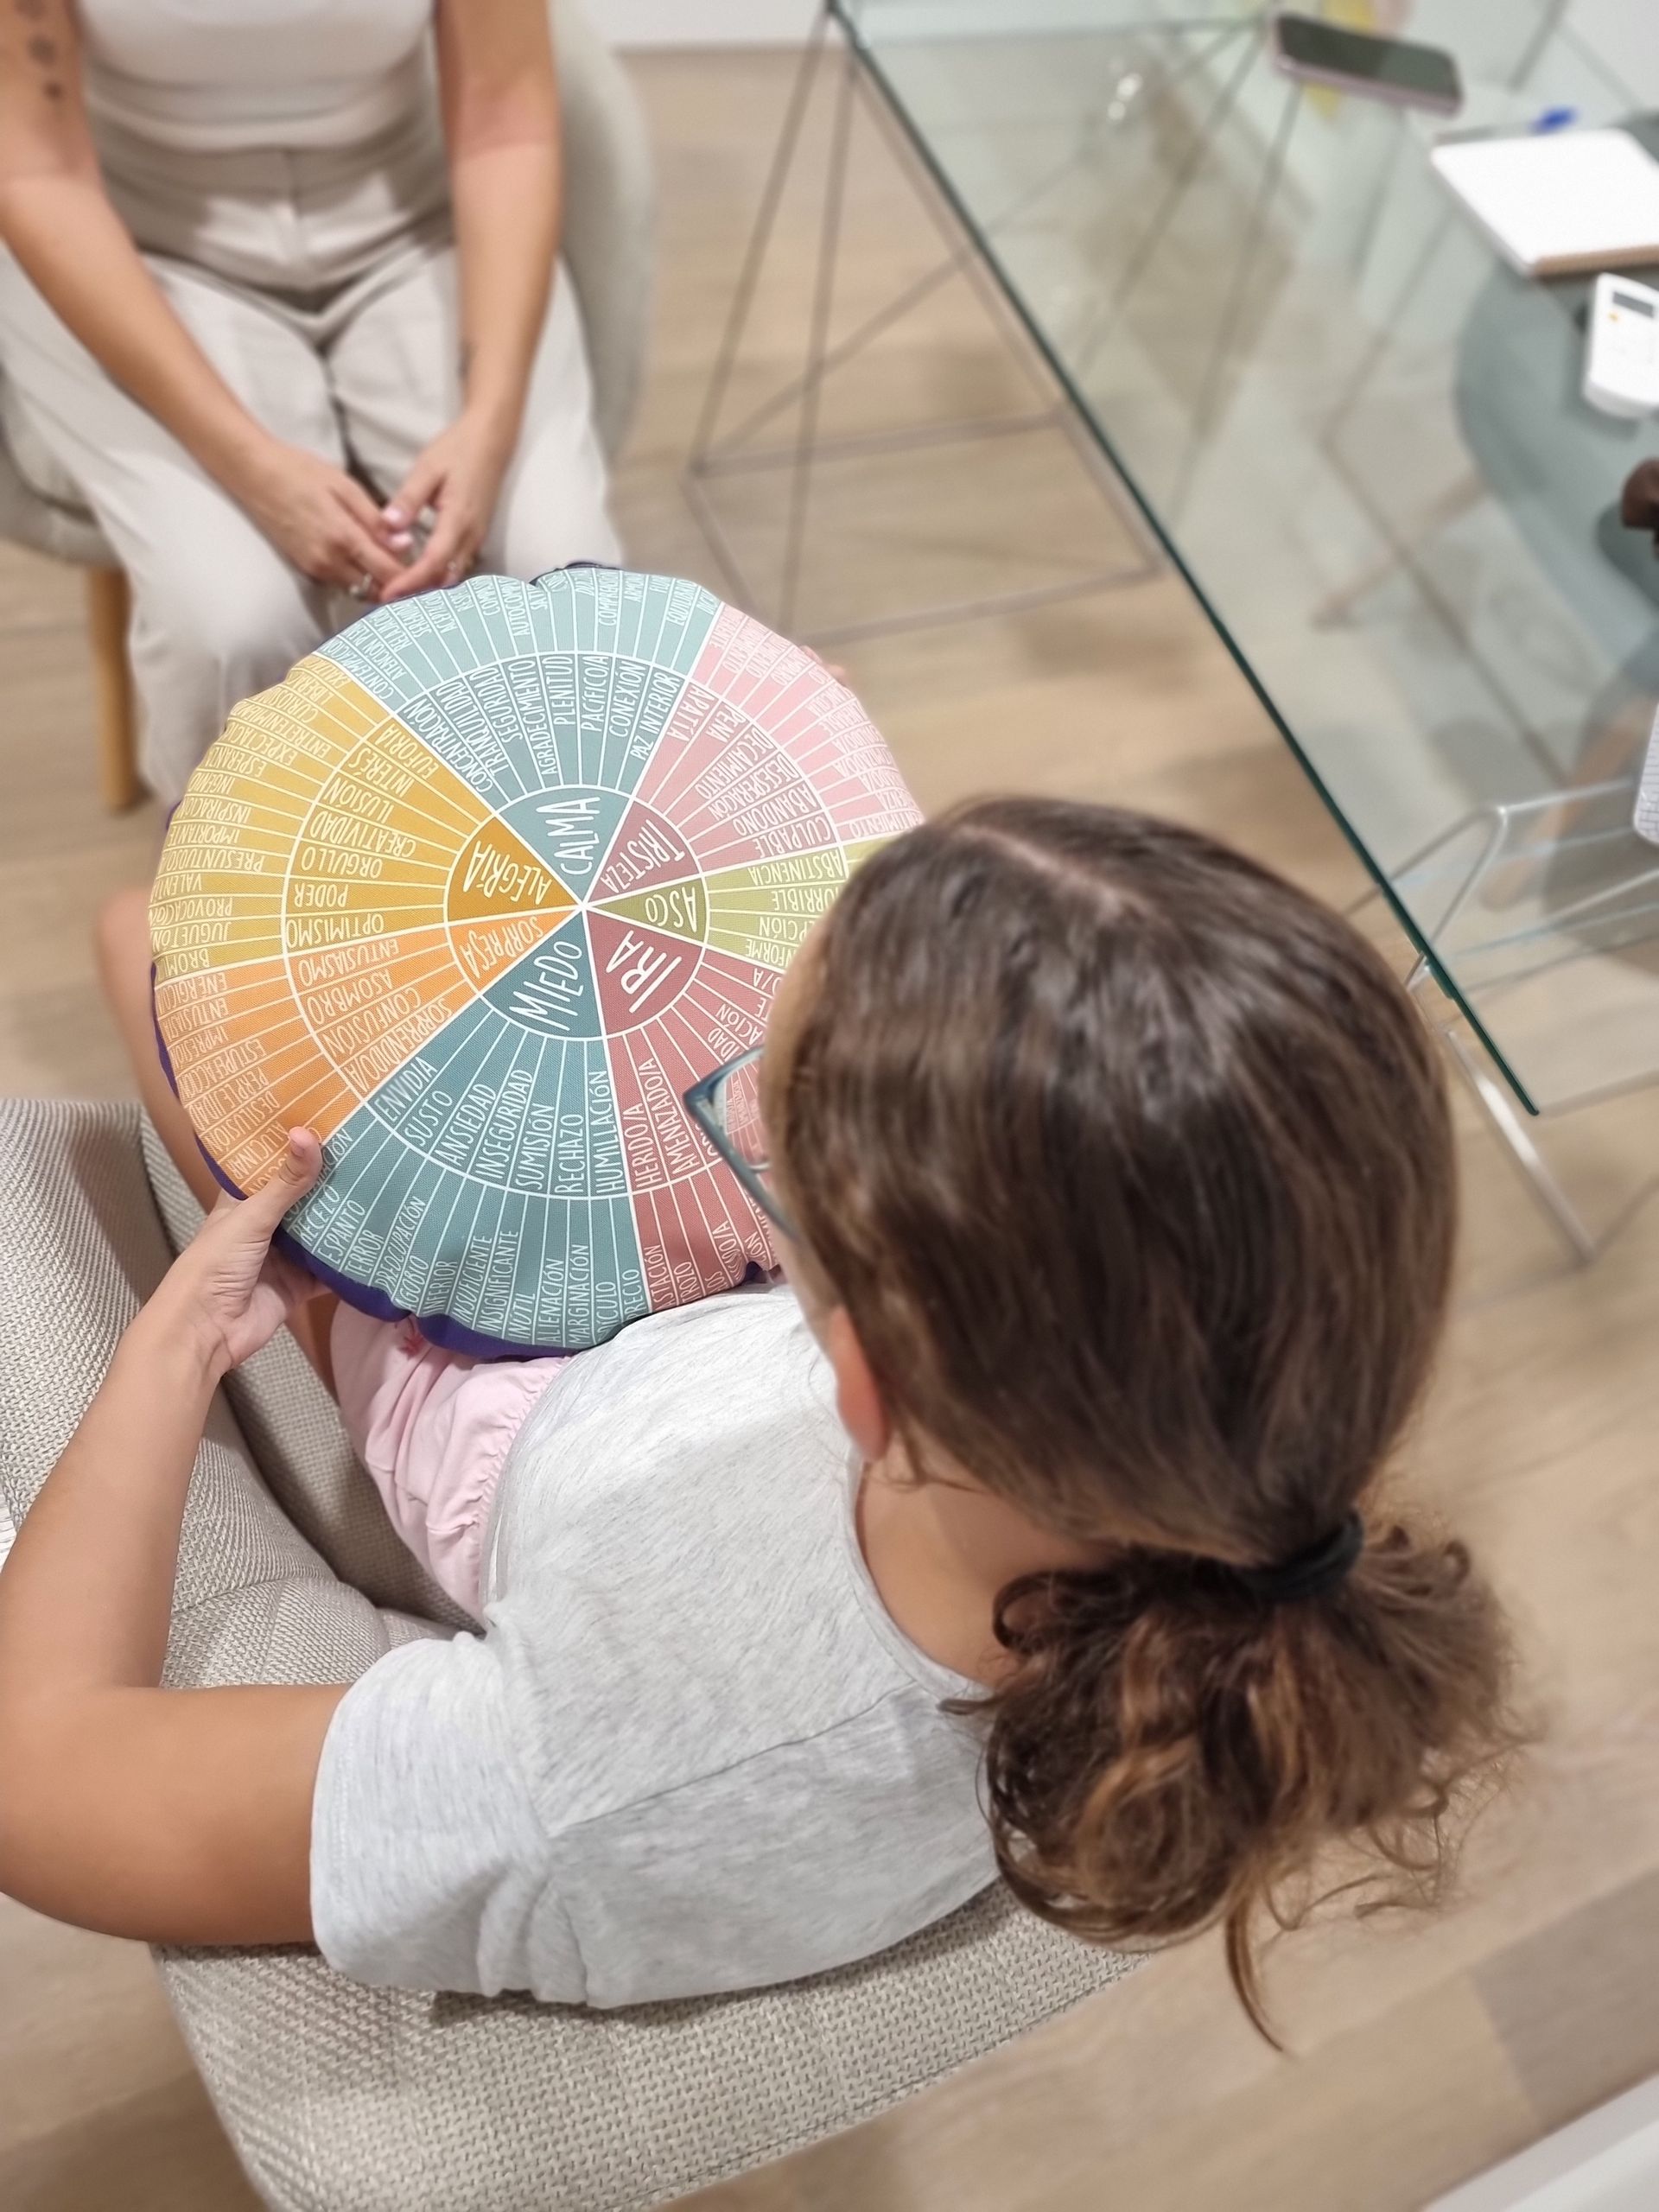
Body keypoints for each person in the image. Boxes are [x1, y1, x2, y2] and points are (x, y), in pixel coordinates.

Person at [0, 800, 1521, 2026]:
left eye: (760, 1130)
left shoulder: (598, 1775)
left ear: (861, 1380)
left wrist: (171, 1348)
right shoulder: (1231, 1432)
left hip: (526, 1433)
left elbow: (42, 1775)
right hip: (693, 1366)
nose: (731, 1118)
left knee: (141, 932)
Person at [0, 0, 620, 801]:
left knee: (563, 576)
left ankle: (544, 874)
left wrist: (491, 420)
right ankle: (227, 906)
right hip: (134, 250)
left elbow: (506, 120)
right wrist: (250, 465)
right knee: (234, 626)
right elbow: (35, 169)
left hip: (413, 220)